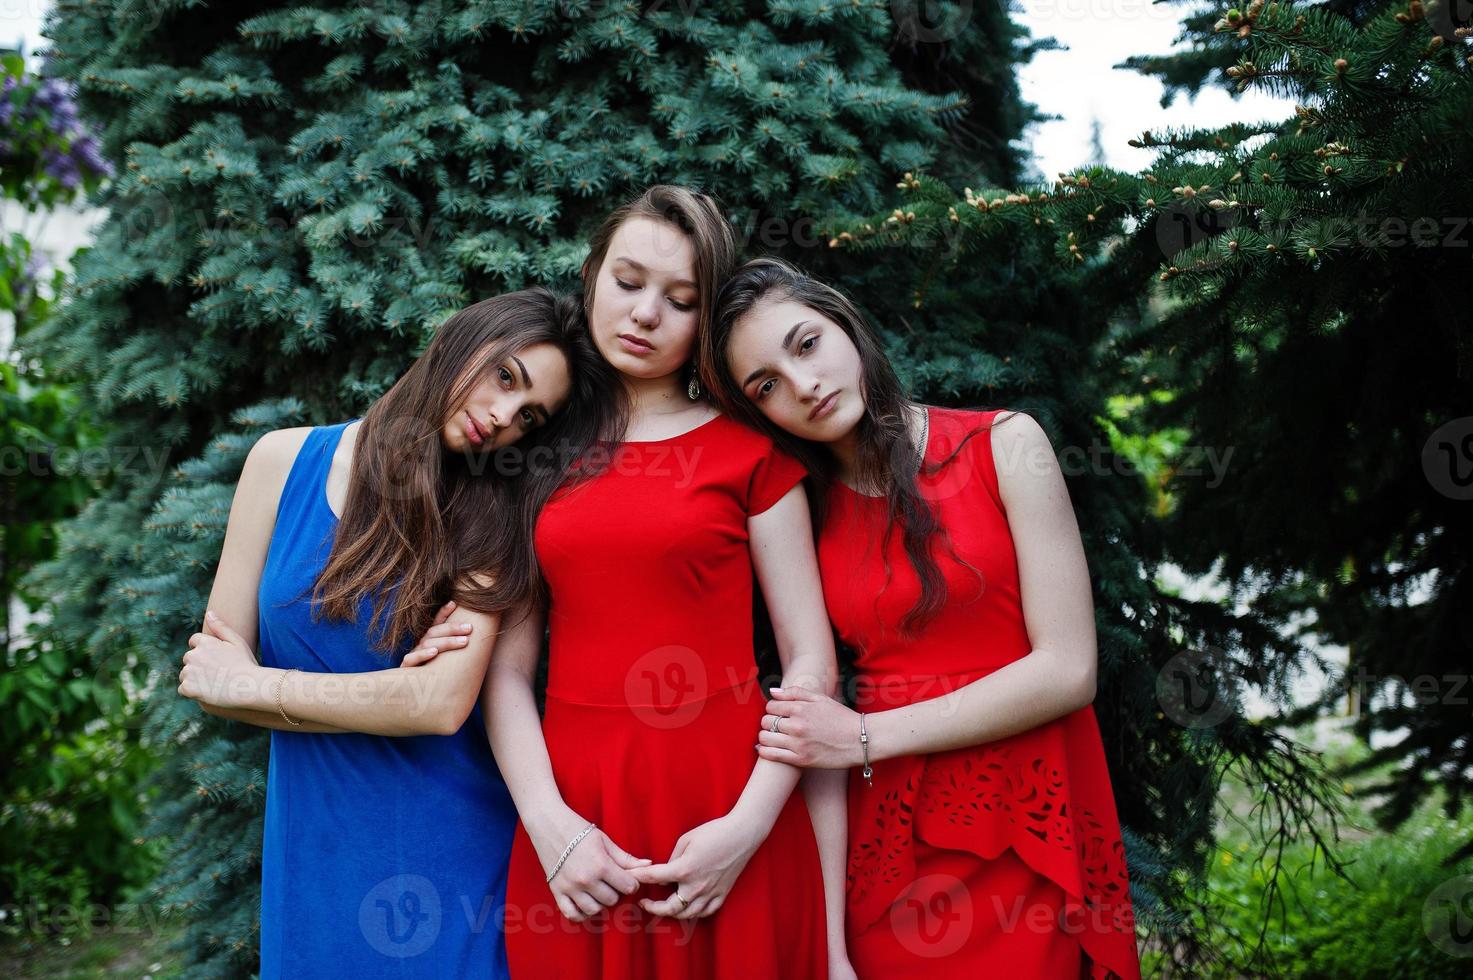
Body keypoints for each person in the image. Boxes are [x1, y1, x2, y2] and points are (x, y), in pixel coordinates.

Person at [707, 256, 1142, 979]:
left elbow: (1068, 668)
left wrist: (865, 735)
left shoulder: (1005, 444)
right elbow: (815, 731)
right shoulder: (799, 513)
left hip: (1024, 830)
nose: (803, 386)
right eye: (766, 386)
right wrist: (831, 949)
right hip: (889, 855)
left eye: (805, 343)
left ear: (844, 323)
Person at [176, 286, 616, 978]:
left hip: (449, 863)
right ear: (460, 339)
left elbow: (439, 707)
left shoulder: (492, 517)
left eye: (529, 416)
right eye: (505, 376)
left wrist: (257, 685)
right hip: (311, 858)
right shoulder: (279, 462)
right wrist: (387, 696)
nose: (503, 417)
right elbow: (209, 675)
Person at [484, 187, 853, 978]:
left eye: (679, 300)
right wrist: (549, 824)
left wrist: (748, 827)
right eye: (628, 282)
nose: (646, 314)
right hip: (578, 828)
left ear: (704, 319)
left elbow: (810, 665)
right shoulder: (533, 451)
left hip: (731, 808)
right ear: (590, 279)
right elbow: (507, 672)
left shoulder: (752, 455)